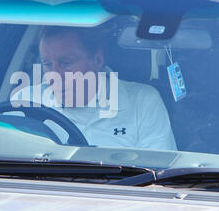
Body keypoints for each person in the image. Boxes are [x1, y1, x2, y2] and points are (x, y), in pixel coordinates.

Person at [12, 26, 177, 150]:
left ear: (97, 59)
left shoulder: (142, 102)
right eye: (47, 64)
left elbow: (158, 178)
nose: (54, 75)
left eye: (66, 63)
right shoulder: (25, 102)